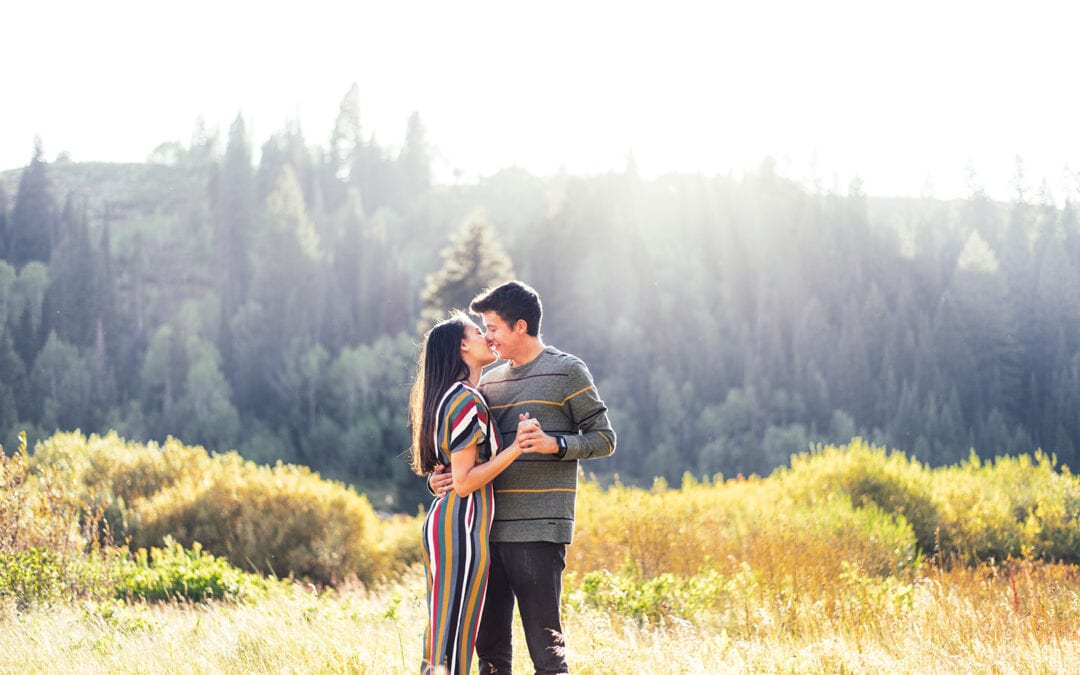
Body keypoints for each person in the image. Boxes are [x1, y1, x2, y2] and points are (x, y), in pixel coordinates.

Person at [428, 281, 616, 674]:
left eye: (493, 328)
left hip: (539, 531)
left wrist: (555, 445)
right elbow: (469, 452)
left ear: (521, 326)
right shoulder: (488, 383)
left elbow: (604, 438)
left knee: (547, 652)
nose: (489, 337)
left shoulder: (567, 370)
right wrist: (438, 479)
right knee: (491, 656)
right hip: (485, 534)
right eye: (483, 330)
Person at [410, 311, 539, 675]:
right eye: (478, 331)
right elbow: (464, 481)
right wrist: (517, 447)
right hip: (460, 529)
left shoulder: (449, 396)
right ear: (463, 345)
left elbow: (450, 472)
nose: (488, 337)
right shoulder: (465, 399)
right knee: (451, 638)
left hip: (451, 525)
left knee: (444, 633)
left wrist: (440, 480)